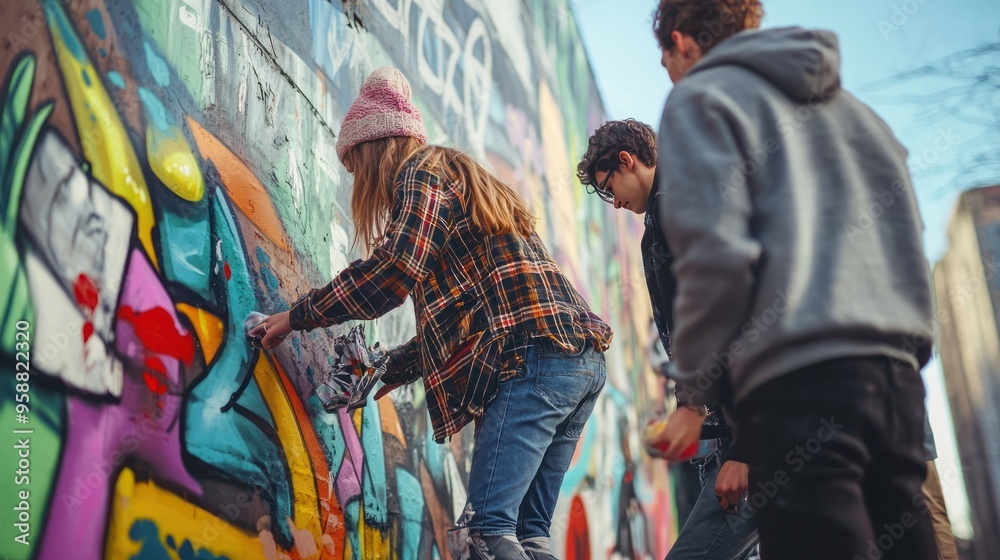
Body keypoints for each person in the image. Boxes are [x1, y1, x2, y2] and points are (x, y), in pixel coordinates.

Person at [252, 67, 612, 560]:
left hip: (535, 363)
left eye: (357, 169)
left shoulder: (422, 173)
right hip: (578, 362)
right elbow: (457, 331)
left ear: (375, 150)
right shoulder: (463, 181)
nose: (362, 187)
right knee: (527, 536)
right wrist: (382, 370)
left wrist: (296, 316)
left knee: (486, 535)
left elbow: (394, 271)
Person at [648, 1, 938, 559]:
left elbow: (715, 259)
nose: (672, 76)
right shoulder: (854, 111)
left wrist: (695, 395)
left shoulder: (702, 97)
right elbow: (908, 233)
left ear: (681, 42)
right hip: (895, 379)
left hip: (796, 380)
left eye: (666, 64)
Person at [578, 119, 758, 559]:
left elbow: (737, 316)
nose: (614, 203)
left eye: (608, 187)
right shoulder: (667, 211)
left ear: (627, 160)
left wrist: (747, 449)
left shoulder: (682, 204)